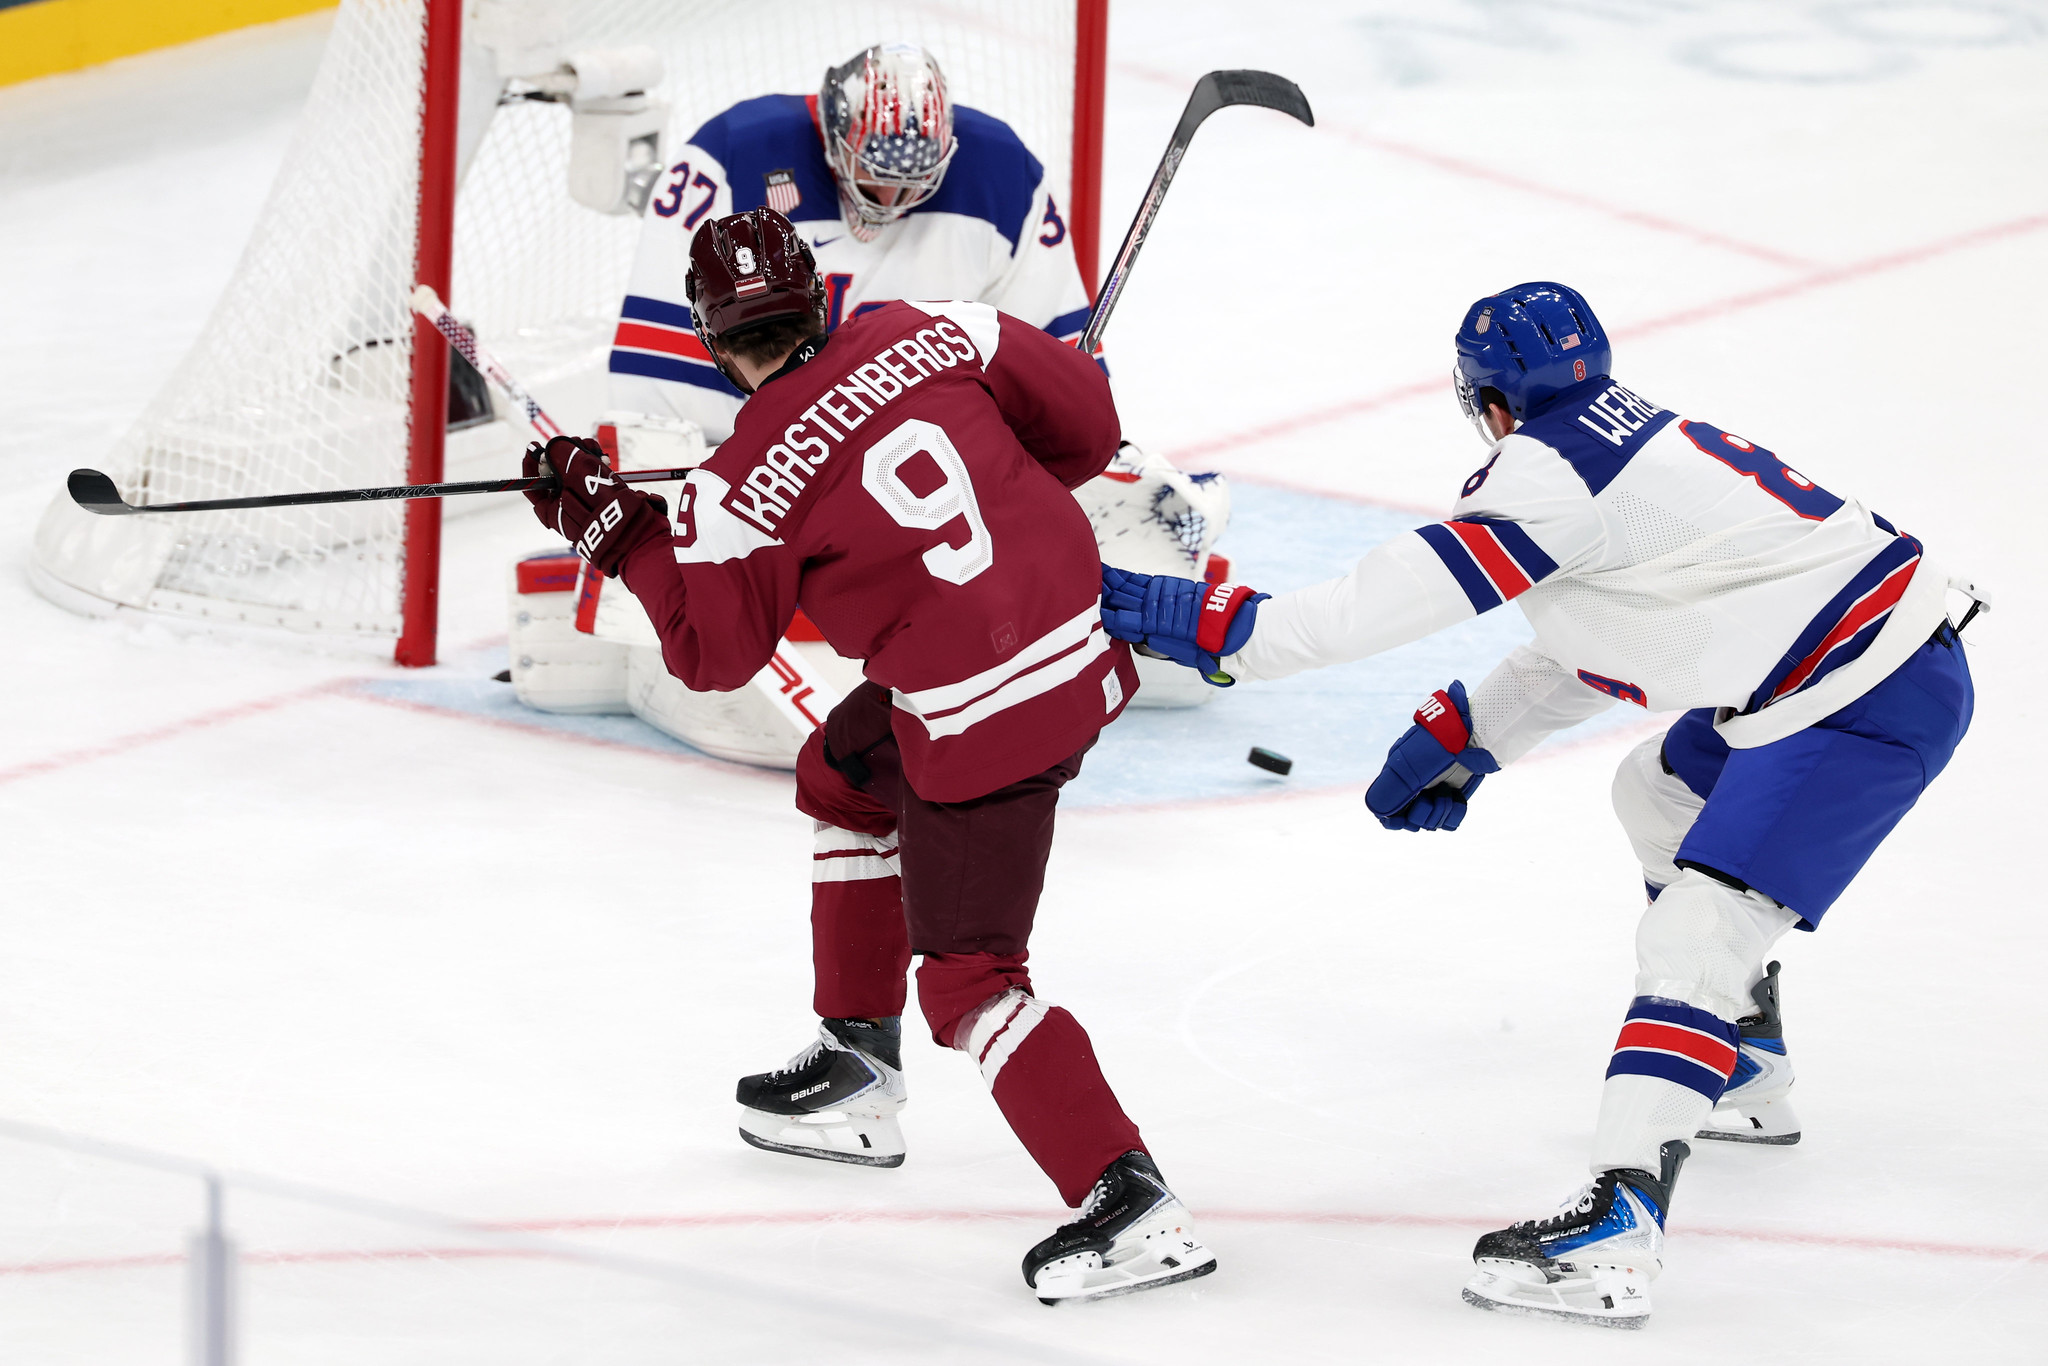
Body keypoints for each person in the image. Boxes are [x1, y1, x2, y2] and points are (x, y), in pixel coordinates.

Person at [1098, 282, 1981, 1327]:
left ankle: (1617, 1228)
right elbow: (1627, 619)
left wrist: (1181, 613)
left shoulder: (1543, 480)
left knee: (1698, 932)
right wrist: (1478, 729)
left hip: (1855, 696)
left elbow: (1325, 625)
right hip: (1841, 666)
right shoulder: (1638, 443)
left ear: (1488, 402)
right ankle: (1738, 1054)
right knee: (1654, 790)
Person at [520, 207, 1216, 1305]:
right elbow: (1089, 430)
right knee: (841, 772)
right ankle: (856, 1063)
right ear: (819, 291)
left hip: (984, 719)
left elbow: (711, 653)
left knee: (971, 977)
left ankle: (1129, 1203)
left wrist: (625, 536)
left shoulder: (733, 487)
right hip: (1081, 646)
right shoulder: (935, 326)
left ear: (712, 340)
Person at [608, 41, 1094, 446]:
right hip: (773, 461)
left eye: (914, 181)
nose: (892, 199)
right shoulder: (731, 156)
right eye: (876, 174)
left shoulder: (1005, 173)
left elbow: (1048, 362)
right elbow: (663, 376)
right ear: (835, 132)